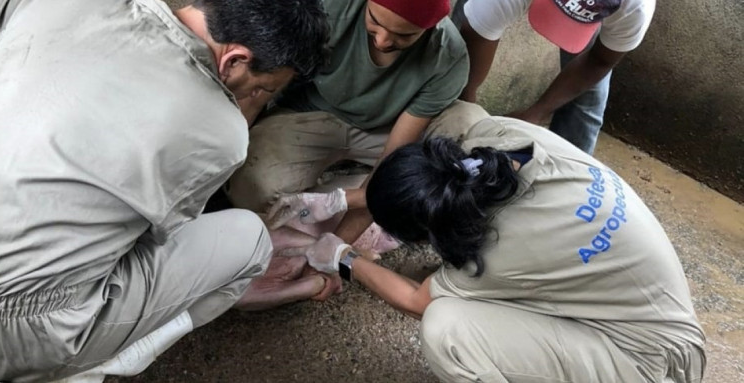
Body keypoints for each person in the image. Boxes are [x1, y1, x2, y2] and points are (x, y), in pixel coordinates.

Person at [0, 0, 330, 381]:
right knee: (250, 240)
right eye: (261, 89)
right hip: (10, 338)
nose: (254, 100)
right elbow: (147, 244)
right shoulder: (220, 131)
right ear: (234, 59)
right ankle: (92, 367)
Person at [283, 102, 705, 382]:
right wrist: (345, 198)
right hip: (660, 318)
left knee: (446, 327)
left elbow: (417, 300)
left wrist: (342, 257)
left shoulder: (497, 252)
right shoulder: (500, 136)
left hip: (652, 365)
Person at [227, 0, 471, 247]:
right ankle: (392, 201)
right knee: (253, 188)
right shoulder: (330, 7)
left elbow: (392, 156)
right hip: (311, 115)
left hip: (388, 130)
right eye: (374, 21)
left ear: (431, 27)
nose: (382, 41)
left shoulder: (447, 56)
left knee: (467, 130)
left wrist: (335, 246)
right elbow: (260, 88)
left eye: (404, 35)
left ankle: (369, 199)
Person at [452, 0, 655, 154]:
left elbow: (600, 61)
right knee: (455, 55)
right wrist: (466, 109)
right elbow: (477, 33)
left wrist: (536, 113)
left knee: (587, 95)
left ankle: (572, 173)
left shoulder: (635, 8)